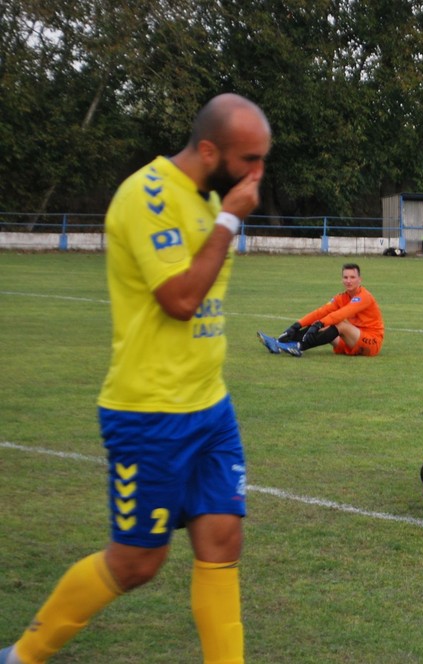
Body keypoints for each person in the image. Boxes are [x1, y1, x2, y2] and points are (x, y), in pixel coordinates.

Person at [0, 94, 270, 664]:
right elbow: (179, 299)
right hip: (149, 413)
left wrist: (223, 212)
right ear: (207, 149)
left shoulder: (211, 198)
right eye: (249, 160)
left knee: (223, 542)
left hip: (211, 409)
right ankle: (21, 656)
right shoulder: (145, 197)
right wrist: (228, 221)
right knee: (136, 563)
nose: (257, 175)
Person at [257, 263, 384, 358]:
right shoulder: (342, 297)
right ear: (342, 279)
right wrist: (296, 325)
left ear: (359, 280)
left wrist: (319, 324)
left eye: (352, 277)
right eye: (345, 277)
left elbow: (342, 314)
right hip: (350, 340)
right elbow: (321, 312)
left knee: (338, 324)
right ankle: (279, 343)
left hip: (371, 343)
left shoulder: (364, 297)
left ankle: (299, 347)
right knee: (323, 322)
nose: (348, 281)